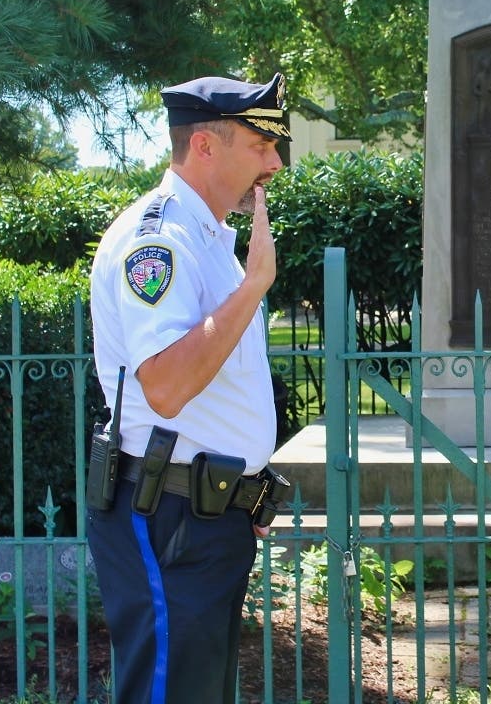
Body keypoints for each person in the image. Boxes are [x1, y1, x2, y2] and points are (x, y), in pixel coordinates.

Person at [88, 73, 291, 703]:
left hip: (206, 516)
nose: (275, 165)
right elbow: (167, 387)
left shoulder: (208, 241)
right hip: (169, 518)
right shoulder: (158, 240)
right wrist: (253, 288)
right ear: (204, 145)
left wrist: (243, 493)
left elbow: (218, 395)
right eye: (261, 146)